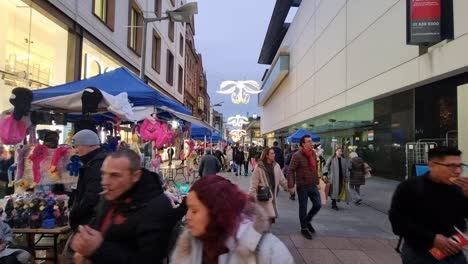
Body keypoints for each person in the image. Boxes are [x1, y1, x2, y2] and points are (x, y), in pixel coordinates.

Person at [71, 149, 183, 264]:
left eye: (114, 175)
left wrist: (97, 249)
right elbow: (98, 227)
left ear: (135, 175)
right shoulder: (110, 195)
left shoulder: (156, 207)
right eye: (103, 174)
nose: (105, 182)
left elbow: (148, 259)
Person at [171, 175, 294, 264]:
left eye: (194, 210)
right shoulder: (187, 246)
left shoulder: (271, 252)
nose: (187, 217)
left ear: (217, 212)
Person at [389, 147, 468, 264]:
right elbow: (397, 223)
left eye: (460, 166)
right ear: (432, 165)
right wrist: (433, 239)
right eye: (451, 166)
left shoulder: (457, 189)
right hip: (421, 253)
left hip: (454, 251)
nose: (457, 171)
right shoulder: (410, 187)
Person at [69, 129, 107, 231]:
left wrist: (75, 213)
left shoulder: (96, 164)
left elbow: (92, 195)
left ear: (89, 144)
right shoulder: (92, 162)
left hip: (91, 223)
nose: (75, 151)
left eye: (77, 146)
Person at [287, 135, 321, 240]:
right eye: (309, 141)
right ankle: (304, 228)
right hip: (302, 186)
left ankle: (307, 221)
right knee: (303, 207)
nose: (312, 143)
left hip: (312, 184)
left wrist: (317, 181)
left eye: (311, 141)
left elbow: (315, 169)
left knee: (318, 204)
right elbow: (291, 170)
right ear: (303, 144)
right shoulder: (297, 155)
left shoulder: (313, 154)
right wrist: (291, 186)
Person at [249, 148, 288, 225]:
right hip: (264, 194)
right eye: (272, 153)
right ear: (266, 155)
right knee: (268, 216)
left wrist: (290, 188)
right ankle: (264, 231)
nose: (274, 155)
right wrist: (250, 196)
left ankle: (264, 230)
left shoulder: (276, 166)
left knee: (268, 216)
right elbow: (253, 183)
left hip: (273, 193)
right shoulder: (259, 167)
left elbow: (282, 179)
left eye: (274, 153)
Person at [323, 146, 350, 211]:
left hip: (341, 178)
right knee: (334, 190)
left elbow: (346, 169)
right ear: (335, 152)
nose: (339, 152)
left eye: (340, 151)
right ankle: (333, 203)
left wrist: (346, 176)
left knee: (339, 190)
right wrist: (325, 174)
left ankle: (335, 200)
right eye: (338, 151)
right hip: (333, 178)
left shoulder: (344, 160)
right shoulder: (331, 158)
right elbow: (326, 166)